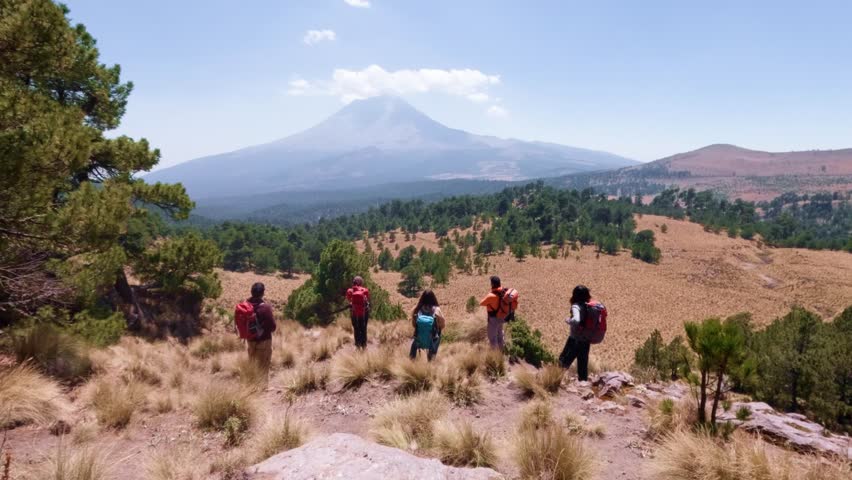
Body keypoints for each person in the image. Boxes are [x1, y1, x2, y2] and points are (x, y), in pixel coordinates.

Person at [559, 285, 595, 381]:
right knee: (582, 368)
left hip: (574, 341)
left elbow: (576, 320)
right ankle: (584, 388)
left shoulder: (576, 306)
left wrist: (568, 320)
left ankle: (553, 383)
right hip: (585, 341)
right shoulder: (587, 306)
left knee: (562, 364)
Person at [479, 276, 517, 349]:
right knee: (500, 333)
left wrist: (489, 294)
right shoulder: (504, 292)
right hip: (502, 317)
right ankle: (501, 350)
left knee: (492, 338)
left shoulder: (491, 296)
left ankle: (495, 356)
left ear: (492, 284)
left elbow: (481, 303)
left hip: (493, 319)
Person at [245, 282, 276, 371]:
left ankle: (251, 384)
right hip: (264, 342)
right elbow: (272, 327)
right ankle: (262, 385)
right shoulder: (265, 307)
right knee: (263, 369)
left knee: (252, 368)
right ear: (262, 293)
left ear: (251, 292)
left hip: (250, 341)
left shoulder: (246, 306)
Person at [409, 289, 446, 361]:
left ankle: (410, 362)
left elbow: (414, 324)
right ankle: (430, 364)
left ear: (422, 298)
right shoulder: (437, 310)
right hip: (433, 337)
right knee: (437, 337)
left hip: (419, 337)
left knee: (414, 345)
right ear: (433, 298)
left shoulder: (417, 309)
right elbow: (443, 325)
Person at [346, 276, 371, 349]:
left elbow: (348, 299)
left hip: (354, 312)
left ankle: (357, 344)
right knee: (363, 327)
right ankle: (364, 344)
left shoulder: (350, 291)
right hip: (364, 312)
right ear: (361, 282)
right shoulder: (365, 290)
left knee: (356, 328)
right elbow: (367, 298)